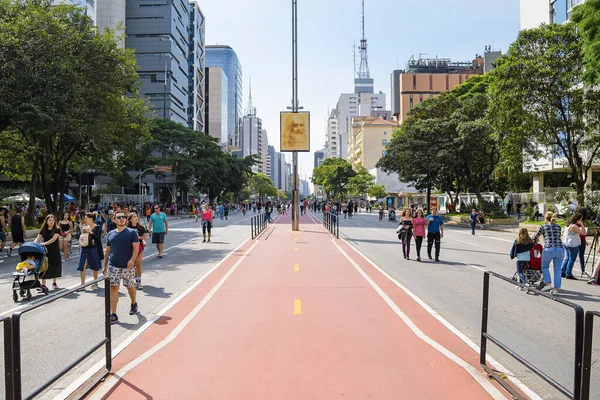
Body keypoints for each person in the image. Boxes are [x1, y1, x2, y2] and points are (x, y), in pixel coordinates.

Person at [103, 210, 139, 325]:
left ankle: (133, 303)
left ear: (126, 219)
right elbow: (108, 251)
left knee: (130, 286)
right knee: (114, 288)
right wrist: (104, 266)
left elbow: (136, 248)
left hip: (127, 267)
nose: (121, 219)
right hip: (114, 266)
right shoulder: (111, 234)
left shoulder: (132, 233)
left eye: (123, 217)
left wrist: (132, 260)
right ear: (114, 220)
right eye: (119, 217)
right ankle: (114, 314)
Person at [531, 212, 564, 295]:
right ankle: (556, 289)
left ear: (546, 218)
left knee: (544, 267)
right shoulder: (558, 227)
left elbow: (535, 236)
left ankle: (548, 284)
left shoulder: (543, 226)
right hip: (560, 249)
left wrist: (531, 237)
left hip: (549, 249)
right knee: (557, 270)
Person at [34, 214, 61, 290]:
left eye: (53, 220)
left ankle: (54, 282)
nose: (52, 222)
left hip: (54, 249)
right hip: (45, 250)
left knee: (54, 265)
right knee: (44, 266)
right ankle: (43, 285)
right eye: (50, 220)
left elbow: (54, 239)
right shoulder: (43, 229)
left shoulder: (57, 229)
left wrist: (44, 243)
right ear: (46, 221)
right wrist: (33, 244)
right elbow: (37, 238)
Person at [78, 212, 103, 290]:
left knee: (94, 266)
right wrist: (82, 232)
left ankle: (95, 282)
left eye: (86, 218)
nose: (85, 220)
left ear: (91, 219)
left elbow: (97, 237)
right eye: (85, 218)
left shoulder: (97, 227)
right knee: (82, 265)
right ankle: (83, 285)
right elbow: (81, 238)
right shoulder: (85, 227)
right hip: (84, 248)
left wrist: (90, 231)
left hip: (93, 248)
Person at [561, 213, 586, 281]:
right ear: (578, 220)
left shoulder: (568, 224)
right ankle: (568, 273)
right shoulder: (574, 226)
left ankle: (562, 271)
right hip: (572, 244)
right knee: (571, 259)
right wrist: (582, 225)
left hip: (566, 243)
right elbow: (584, 233)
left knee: (567, 258)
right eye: (580, 219)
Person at [127, 212, 147, 290]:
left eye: (136, 216)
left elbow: (145, 237)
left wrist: (137, 237)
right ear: (130, 219)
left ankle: (138, 281)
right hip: (129, 248)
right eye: (134, 217)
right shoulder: (127, 228)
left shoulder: (141, 227)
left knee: (138, 263)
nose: (136, 218)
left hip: (139, 247)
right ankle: (132, 280)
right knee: (132, 265)